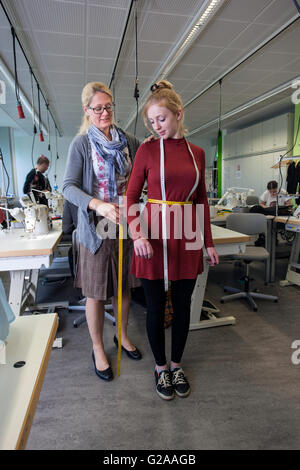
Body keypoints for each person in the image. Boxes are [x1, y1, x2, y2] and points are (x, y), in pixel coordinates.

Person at [126, 80, 219, 400]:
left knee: (181, 306)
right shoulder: (147, 149)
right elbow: (131, 195)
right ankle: (160, 368)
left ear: (179, 114)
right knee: (154, 308)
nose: (157, 126)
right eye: (152, 122)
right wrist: (136, 233)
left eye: (161, 119)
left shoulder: (198, 153)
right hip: (152, 231)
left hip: (188, 231)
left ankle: (176, 364)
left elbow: (202, 201)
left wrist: (207, 242)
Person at [62, 81, 142, 382]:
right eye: (98, 108)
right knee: (95, 293)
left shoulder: (130, 141)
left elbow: (139, 180)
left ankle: (120, 335)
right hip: (95, 229)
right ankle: (97, 347)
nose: (105, 112)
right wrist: (98, 204)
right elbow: (69, 187)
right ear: (87, 110)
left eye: (108, 106)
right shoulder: (81, 144)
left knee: (123, 287)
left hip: (124, 226)